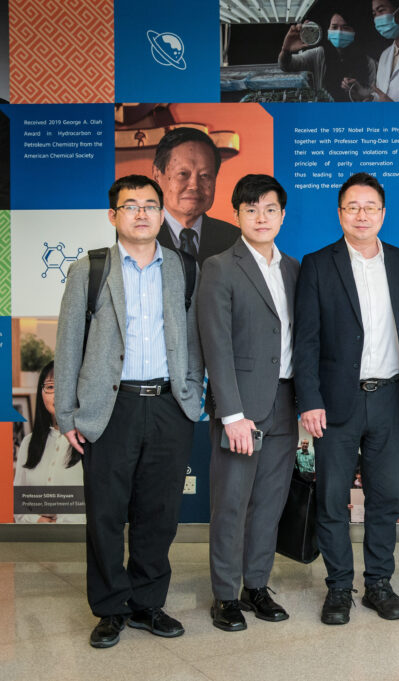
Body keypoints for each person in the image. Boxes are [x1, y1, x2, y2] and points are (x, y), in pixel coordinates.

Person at [54, 175, 204, 648]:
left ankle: (147, 604)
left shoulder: (185, 268)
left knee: (158, 513)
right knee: (105, 512)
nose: (141, 213)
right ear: (112, 215)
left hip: (168, 407)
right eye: (130, 205)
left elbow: (196, 340)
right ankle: (110, 607)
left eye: (150, 205)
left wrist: (194, 395)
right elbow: (67, 345)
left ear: (162, 214)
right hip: (109, 407)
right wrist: (66, 414)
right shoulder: (89, 270)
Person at [293, 173, 399, 626]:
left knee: (385, 498)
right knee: (332, 500)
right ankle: (339, 588)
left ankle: (379, 584)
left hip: (388, 398)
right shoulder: (317, 263)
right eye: (353, 206)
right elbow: (305, 341)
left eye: (371, 207)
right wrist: (309, 400)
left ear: (383, 213)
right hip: (335, 403)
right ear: (340, 213)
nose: (362, 214)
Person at [197, 174, 300, 632]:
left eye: (271, 208)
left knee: (270, 503)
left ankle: (256, 585)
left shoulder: (295, 269)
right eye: (252, 208)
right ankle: (224, 595)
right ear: (236, 214)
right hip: (240, 408)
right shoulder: (220, 266)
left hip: (285, 401)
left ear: (282, 214)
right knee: (232, 504)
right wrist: (231, 413)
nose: (262, 217)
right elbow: (215, 344)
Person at [152, 127, 239, 264]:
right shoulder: (129, 237)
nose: (194, 185)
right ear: (157, 175)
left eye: (205, 175)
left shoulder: (236, 241)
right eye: (183, 174)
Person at [13, 361, 84, 524]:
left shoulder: (92, 441)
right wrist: (37, 520)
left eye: (66, 385)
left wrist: (60, 524)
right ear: (41, 393)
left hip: (79, 541)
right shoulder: (28, 442)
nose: (58, 394)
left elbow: (103, 504)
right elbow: (19, 505)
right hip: (36, 540)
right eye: (51, 387)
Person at [279, 6, 377, 102]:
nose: (339, 32)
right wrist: (286, 50)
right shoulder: (318, 55)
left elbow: (374, 96)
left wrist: (360, 93)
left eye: (345, 27)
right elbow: (287, 66)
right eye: (334, 27)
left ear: (355, 30)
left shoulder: (369, 63)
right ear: (328, 31)